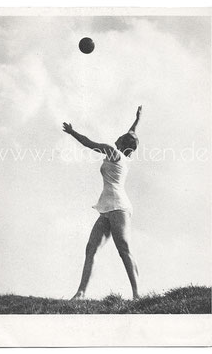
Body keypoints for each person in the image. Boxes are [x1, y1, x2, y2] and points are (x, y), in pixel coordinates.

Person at [62, 105, 142, 300]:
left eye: (121, 137)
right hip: (107, 207)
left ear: (122, 144)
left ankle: (137, 294)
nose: (118, 137)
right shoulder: (122, 154)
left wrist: (72, 132)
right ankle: (81, 293)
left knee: (123, 249)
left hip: (118, 207)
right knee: (91, 248)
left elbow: (89, 144)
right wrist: (137, 119)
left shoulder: (113, 152)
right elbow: (132, 134)